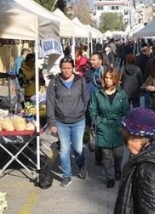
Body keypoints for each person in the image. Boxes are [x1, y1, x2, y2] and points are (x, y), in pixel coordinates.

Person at [47, 57, 90, 188]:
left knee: (77, 148)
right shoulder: (54, 82)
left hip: (78, 120)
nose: (66, 71)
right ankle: (67, 175)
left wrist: (82, 111)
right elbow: (50, 102)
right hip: (61, 121)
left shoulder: (80, 80)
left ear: (73, 68)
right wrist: (52, 122)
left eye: (69, 68)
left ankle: (81, 165)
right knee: (65, 149)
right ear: (60, 68)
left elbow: (85, 99)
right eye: (63, 68)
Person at [88, 67, 129, 188]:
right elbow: (92, 109)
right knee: (106, 155)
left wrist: (122, 121)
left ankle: (117, 168)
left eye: (110, 78)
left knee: (119, 153)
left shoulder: (121, 93)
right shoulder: (98, 93)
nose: (107, 80)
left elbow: (126, 110)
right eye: (106, 77)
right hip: (103, 127)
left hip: (117, 127)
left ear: (115, 79)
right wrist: (98, 121)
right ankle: (109, 177)